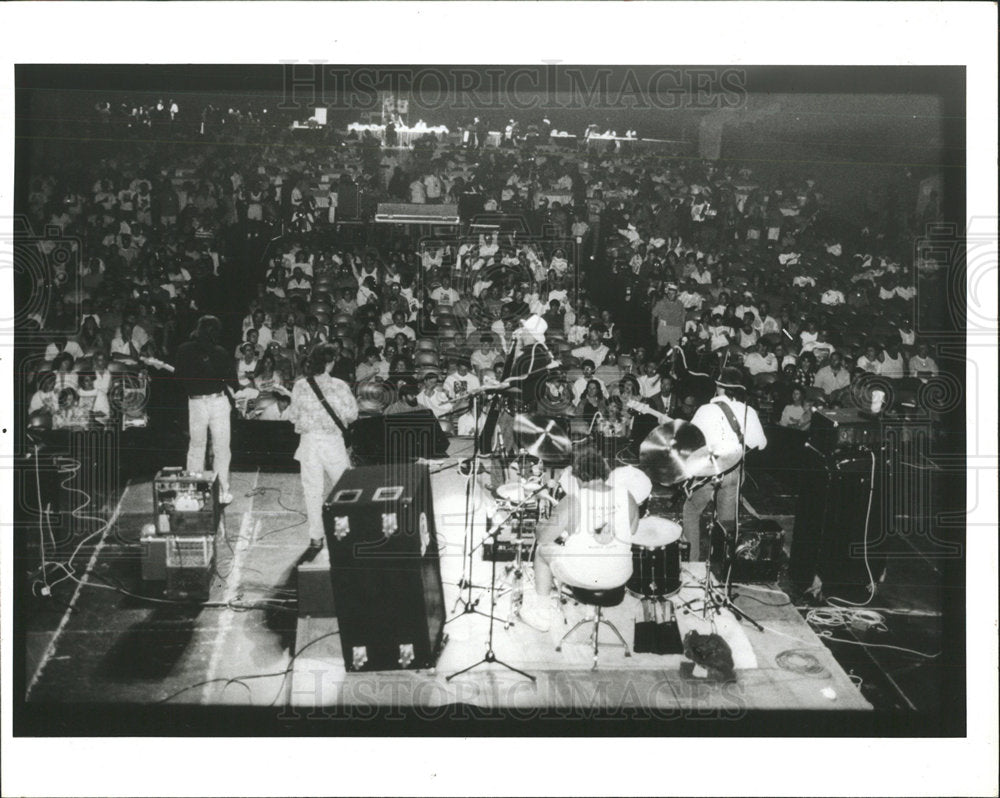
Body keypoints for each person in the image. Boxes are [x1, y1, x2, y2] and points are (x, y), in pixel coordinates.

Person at [518, 445, 637, 632]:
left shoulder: (574, 500)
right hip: (621, 574)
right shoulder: (627, 496)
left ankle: (542, 614)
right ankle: (590, 606)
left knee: (542, 552)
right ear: (604, 473)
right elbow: (631, 531)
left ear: (578, 476)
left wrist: (541, 524)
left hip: (583, 575)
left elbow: (543, 538)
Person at [681, 367, 767, 561]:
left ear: (720, 387)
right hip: (734, 470)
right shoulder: (749, 411)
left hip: (708, 471)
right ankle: (721, 566)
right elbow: (761, 444)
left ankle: (692, 562)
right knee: (725, 523)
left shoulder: (706, 409)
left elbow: (691, 441)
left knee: (692, 511)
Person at [285, 344, 359, 551]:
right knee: (344, 489)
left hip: (309, 443)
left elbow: (292, 416)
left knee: (313, 491)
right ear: (331, 362)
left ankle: (316, 536)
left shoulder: (300, 385)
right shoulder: (340, 386)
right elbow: (352, 415)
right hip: (332, 442)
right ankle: (343, 531)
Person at [174, 315, 236, 505]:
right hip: (216, 402)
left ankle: (194, 491)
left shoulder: (184, 350)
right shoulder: (220, 352)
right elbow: (231, 380)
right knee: (220, 448)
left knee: (197, 446)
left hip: (198, 403)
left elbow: (178, 379)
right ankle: (221, 490)